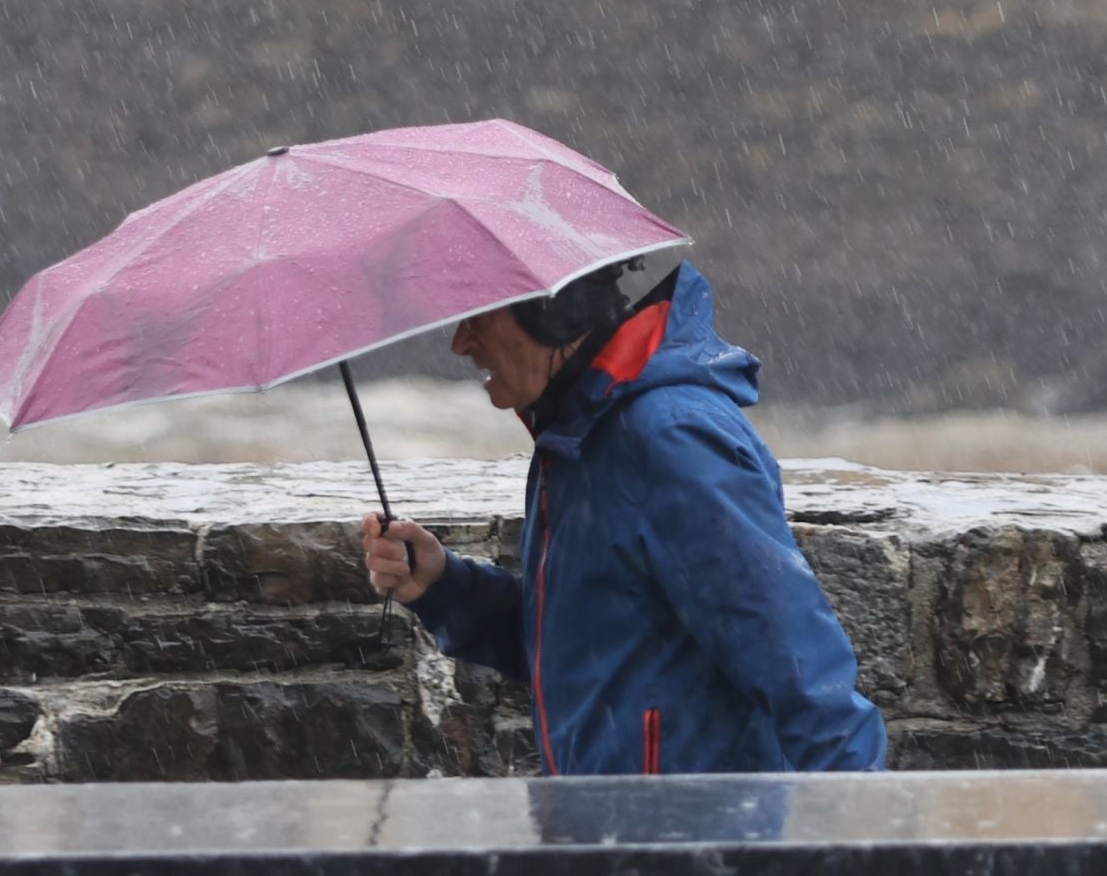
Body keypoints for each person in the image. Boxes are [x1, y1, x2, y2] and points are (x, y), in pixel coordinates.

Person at [361, 261, 887, 776]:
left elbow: (792, 658)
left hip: (692, 842)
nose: (460, 342)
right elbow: (576, 643)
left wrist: (864, 835)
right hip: (609, 834)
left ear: (553, 315)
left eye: (480, 315)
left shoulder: (668, 438)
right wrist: (443, 585)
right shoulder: (579, 440)